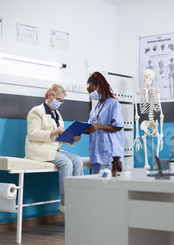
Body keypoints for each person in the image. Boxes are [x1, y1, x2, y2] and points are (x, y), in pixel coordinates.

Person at [25, 83, 83, 214]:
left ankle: (79, 197)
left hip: (52, 148)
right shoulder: (36, 111)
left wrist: (72, 138)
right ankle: (65, 203)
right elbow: (32, 134)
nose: (59, 103)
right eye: (58, 99)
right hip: (39, 148)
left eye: (61, 101)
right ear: (49, 95)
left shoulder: (57, 114)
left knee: (77, 159)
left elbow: (60, 136)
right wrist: (53, 131)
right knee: (66, 162)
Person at [84, 72, 124, 174]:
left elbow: (118, 126)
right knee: (97, 187)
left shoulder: (113, 104)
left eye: (92, 90)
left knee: (111, 186)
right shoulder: (94, 109)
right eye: (89, 92)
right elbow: (91, 128)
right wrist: (80, 129)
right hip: (96, 154)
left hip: (110, 154)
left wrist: (99, 126)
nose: (91, 94)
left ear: (100, 87)